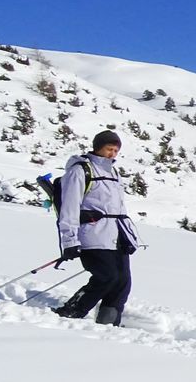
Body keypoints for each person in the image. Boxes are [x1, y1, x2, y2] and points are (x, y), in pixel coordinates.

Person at [52, 129, 140, 325]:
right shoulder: (80, 170)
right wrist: (69, 241)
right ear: (98, 147)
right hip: (92, 235)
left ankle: (109, 323)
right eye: (109, 149)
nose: (113, 154)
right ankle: (71, 312)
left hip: (117, 236)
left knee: (122, 282)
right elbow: (69, 207)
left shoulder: (114, 172)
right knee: (107, 277)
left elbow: (119, 207)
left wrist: (129, 236)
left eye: (116, 151)